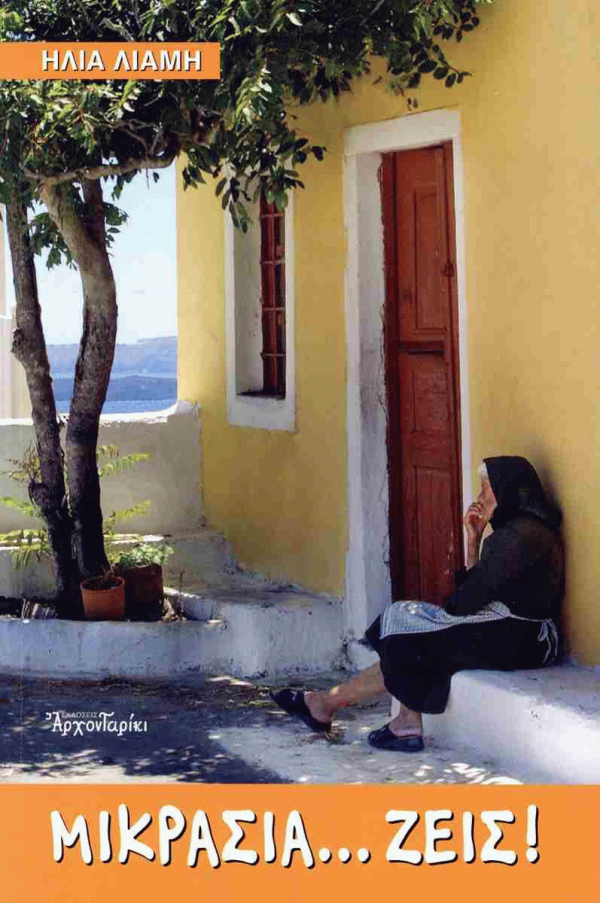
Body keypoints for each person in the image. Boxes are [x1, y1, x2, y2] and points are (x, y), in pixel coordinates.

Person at [272, 456, 563, 752]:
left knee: (410, 630)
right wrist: (473, 539)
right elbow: (474, 591)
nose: (479, 497)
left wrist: (451, 603)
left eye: (486, 489)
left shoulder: (518, 538)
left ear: (506, 489)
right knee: (411, 630)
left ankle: (402, 722)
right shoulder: (523, 532)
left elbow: (464, 603)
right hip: (520, 635)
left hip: (524, 639)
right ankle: (326, 704)